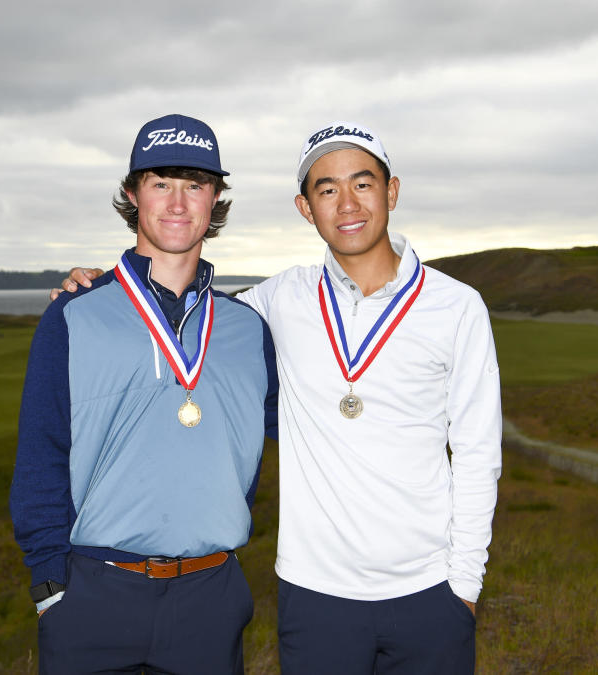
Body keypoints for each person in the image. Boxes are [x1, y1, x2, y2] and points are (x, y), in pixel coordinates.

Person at [58, 120, 501, 674]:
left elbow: (479, 455)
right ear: (304, 207)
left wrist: (464, 585)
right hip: (314, 596)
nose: (347, 203)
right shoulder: (276, 300)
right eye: (326, 189)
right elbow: (188, 313)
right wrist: (99, 285)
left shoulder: (458, 307)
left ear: (391, 191)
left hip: (430, 591)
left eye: (363, 184)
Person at [11, 113, 278, 675]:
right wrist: (50, 584)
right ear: (133, 194)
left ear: (215, 198)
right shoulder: (75, 313)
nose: (178, 203)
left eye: (195, 185)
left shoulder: (248, 328)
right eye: (161, 183)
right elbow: (41, 449)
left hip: (210, 599)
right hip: (93, 597)